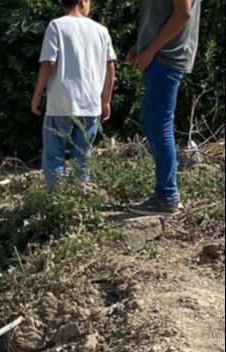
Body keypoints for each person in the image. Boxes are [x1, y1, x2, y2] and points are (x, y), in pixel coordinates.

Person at [128, 0, 203, 216]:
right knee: (154, 123)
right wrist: (143, 47)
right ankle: (165, 195)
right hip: (163, 56)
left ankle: (166, 197)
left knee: (158, 125)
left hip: (165, 58)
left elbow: (183, 14)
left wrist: (150, 50)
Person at [31, 0, 115, 187]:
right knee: (82, 158)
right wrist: (106, 100)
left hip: (61, 102)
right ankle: (80, 197)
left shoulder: (57, 26)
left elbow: (48, 63)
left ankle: (58, 201)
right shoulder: (101, 30)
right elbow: (110, 67)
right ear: (83, 2)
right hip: (90, 104)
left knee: (54, 157)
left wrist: (37, 97)